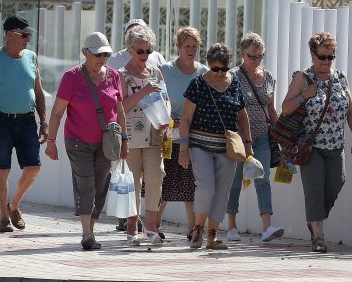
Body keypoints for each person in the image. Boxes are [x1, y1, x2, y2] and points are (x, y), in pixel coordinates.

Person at [45, 31, 129, 250]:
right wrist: (51, 141)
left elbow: (119, 111)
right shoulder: (72, 77)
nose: (102, 59)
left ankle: (90, 230)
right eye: (97, 54)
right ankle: (86, 232)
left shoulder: (114, 76)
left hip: (108, 141)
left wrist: (125, 139)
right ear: (84, 53)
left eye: (106, 55)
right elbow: (57, 112)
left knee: (101, 186)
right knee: (86, 185)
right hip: (77, 141)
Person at [281, 31, 352, 253]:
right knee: (314, 190)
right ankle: (318, 236)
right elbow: (285, 108)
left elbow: (351, 111)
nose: (326, 62)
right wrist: (304, 95)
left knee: (336, 184)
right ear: (312, 54)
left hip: (336, 144)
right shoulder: (302, 78)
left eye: (330, 57)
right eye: (322, 57)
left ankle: (313, 217)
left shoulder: (340, 77)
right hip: (310, 145)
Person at [178, 43, 253, 250]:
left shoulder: (235, 83)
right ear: (209, 65)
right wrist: (184, 148)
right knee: (207, 187)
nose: (220, 73)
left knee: (222, 192)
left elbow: (242, 115)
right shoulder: (197, 84)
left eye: (224, 69)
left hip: (227, 148)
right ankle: (198, 230)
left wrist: (248, 143)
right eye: (215, 68)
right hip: (200, 145)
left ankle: (212, 236)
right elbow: (185, 118)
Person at [0, 15, 48, 233]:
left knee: (34, 167)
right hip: (0, 120)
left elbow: (38, 91)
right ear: (9, 34)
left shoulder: (31, 57)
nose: (28, 39)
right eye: (24, 35)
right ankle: (2, 218)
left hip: (27, 119)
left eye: (29, 35)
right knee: (2, 169)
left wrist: (43, 121)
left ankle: (13, 205)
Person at [107, 18, 164, 233]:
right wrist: (144, 91)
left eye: (148, 51)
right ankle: (132, 225)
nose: (144, 56)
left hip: (153, 133)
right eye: (140, 51)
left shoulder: (156, 72)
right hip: (129, 135)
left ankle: (151, 226)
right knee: (133, 181)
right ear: (130, 49)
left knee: (156, 177)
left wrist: (165, 117)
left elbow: (163, 98)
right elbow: (120, 107)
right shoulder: (120, 75)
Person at [226, 32, 284, 242]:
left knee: (263, 178)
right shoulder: (233, 76)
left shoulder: (268, 76)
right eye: (253, 56)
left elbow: (270, 108)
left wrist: (280, 134)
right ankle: (231, 225)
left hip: (262, 136)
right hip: (239, 138)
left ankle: (267, 226)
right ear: (243, 54)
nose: (257, 60)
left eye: (261, 56)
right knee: (235, 181)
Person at [159, 26, 208, 240]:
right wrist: (169, 118)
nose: (191, 50)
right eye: (187, 46)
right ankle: (154, 225)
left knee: (191, 183)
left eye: (195, 46)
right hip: (169, 135)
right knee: (164, 181)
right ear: (179, 47)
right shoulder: (166, 70)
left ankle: (192, 229)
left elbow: (206, 105)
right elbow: (157, 99)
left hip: (194, 135)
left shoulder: (204, 73)